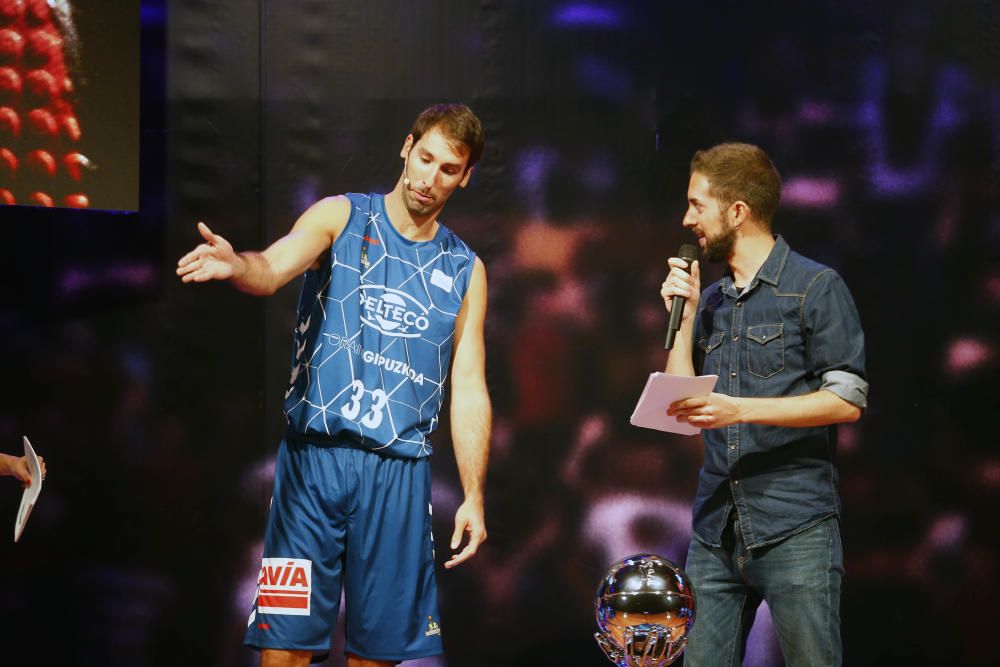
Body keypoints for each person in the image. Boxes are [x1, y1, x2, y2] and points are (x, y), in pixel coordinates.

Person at [177, 103, 491, 667]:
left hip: (398, 474)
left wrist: (473, 493)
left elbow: (469, 386)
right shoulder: (341, 217)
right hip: (311, 469)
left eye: (449, 169)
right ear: (406, 146)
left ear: (466, 177)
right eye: (425, 158)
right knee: (283, 652)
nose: (430, 177)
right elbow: (272, 268)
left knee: (376, 658)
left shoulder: (466, 268)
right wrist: (236, 265)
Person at [659, 143, 867, 666]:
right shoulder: (711, 302)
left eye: (697, 205)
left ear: (737, 211)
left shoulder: (815, 287)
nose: (687, 220)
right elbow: (680, 410)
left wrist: (740, 409)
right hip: (715, 528)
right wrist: (682, 329)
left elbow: (846, 400)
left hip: (793, 524)